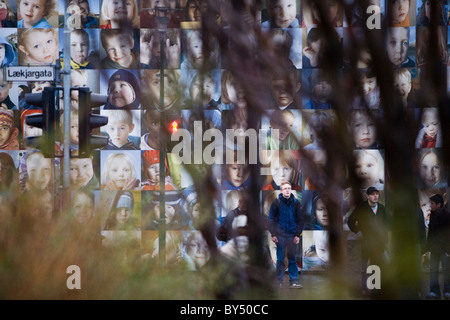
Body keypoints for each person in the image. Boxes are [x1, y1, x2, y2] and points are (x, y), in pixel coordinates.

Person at [347, 186, 390, 296]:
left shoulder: (382, 208)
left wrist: (385, 239)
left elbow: (387, 225)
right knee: (364, 266)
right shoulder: (361, 208)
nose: (375, 196)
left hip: (379, 243)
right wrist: (358, 232)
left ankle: (375, 288)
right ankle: (364, 288)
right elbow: (350, 221)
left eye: (377, 194)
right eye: (372, 194)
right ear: (367, 196)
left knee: (377, 265)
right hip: (366, 243)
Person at [268, 181, 304, 288]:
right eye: (285, 188)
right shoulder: (276, 203)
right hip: (280, 236)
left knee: (292, 259)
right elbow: (271, 220)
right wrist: (273, 234)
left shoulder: (296, 203)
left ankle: (293, 281)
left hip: (292, 236)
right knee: (280, 259)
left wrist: (297, 235)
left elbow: (300, 220)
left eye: (289, 188)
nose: (287, 190)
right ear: (281, 190)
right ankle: (279, 281)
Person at [424, 193, 450, 299]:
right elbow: (430, 232)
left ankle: (447, 291)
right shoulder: (433, 216)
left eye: (432, 203)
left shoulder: (447, 216)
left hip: (444, 249)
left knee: (446, 271)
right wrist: (428, 246)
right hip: (434, 248)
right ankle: (434, 291)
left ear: (439, 205)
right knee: (433, 270)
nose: (430, 205)